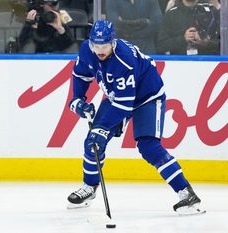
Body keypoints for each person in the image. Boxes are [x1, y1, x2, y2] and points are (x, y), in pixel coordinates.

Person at [66, 20, 204, 215]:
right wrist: (77, 99)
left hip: (148, 97)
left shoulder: (124, 59)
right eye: (96, 45)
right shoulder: (87, 50)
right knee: (93, 142)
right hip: (118, 96)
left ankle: (186, 193)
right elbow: (80, 75)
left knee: (148, 146)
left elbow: (124, 104)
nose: (99, 50)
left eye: (104, 45)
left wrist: (103, 127)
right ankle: (89, 187)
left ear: (113, 42)